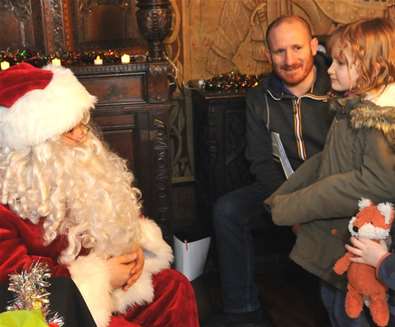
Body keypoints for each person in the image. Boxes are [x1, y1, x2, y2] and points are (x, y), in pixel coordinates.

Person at [0, 62, 199, 327]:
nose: (84, 135)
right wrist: (102, 276)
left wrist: (136, 248)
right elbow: (17, 281)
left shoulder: (82, 170)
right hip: (64, 308)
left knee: (175, 287)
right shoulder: (9, 200)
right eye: (70, 130)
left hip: (113, 290)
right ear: (35, 146)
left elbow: (119, 215)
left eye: (83, 123)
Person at [266, 17, 395, 326]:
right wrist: (282, 197)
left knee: (351, 314)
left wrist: (296, 205)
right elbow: (326, 161)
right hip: (338, 245)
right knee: (335, 307)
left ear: (373, 69)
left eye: (341, 62)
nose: (329, 69)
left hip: (361, 256)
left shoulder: (378, 121)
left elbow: (374, 183)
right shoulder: (354, 107)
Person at [207, 15, 334, 327]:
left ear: (314, 47)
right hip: (280, 188)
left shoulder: (338, 87)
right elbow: (261, 161)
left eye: (297, 48)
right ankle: (243, 311)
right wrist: (289, 206)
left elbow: (345, 161)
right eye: (279, 52)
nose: (289, 60)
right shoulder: (259, 97)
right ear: (268, 55)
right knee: (227, 210)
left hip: (331, 189)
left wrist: (312, 205)